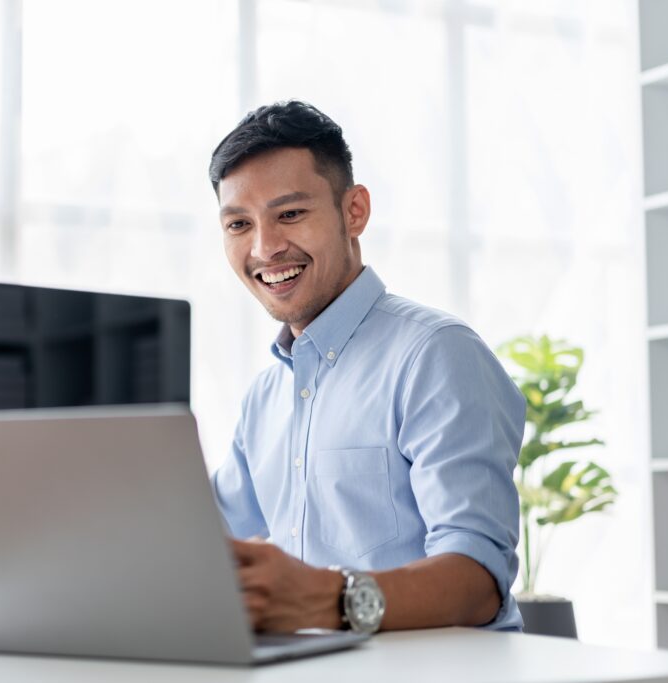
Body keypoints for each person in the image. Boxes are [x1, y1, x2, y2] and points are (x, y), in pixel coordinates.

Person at [209, 101, 526, 634]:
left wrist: (327, 602)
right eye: (240, 224)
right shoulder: (265, 396)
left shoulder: (436, 354)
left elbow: (477, 580)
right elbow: (200, 539)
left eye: (290, 214)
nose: (265, 248)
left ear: (354, 211)